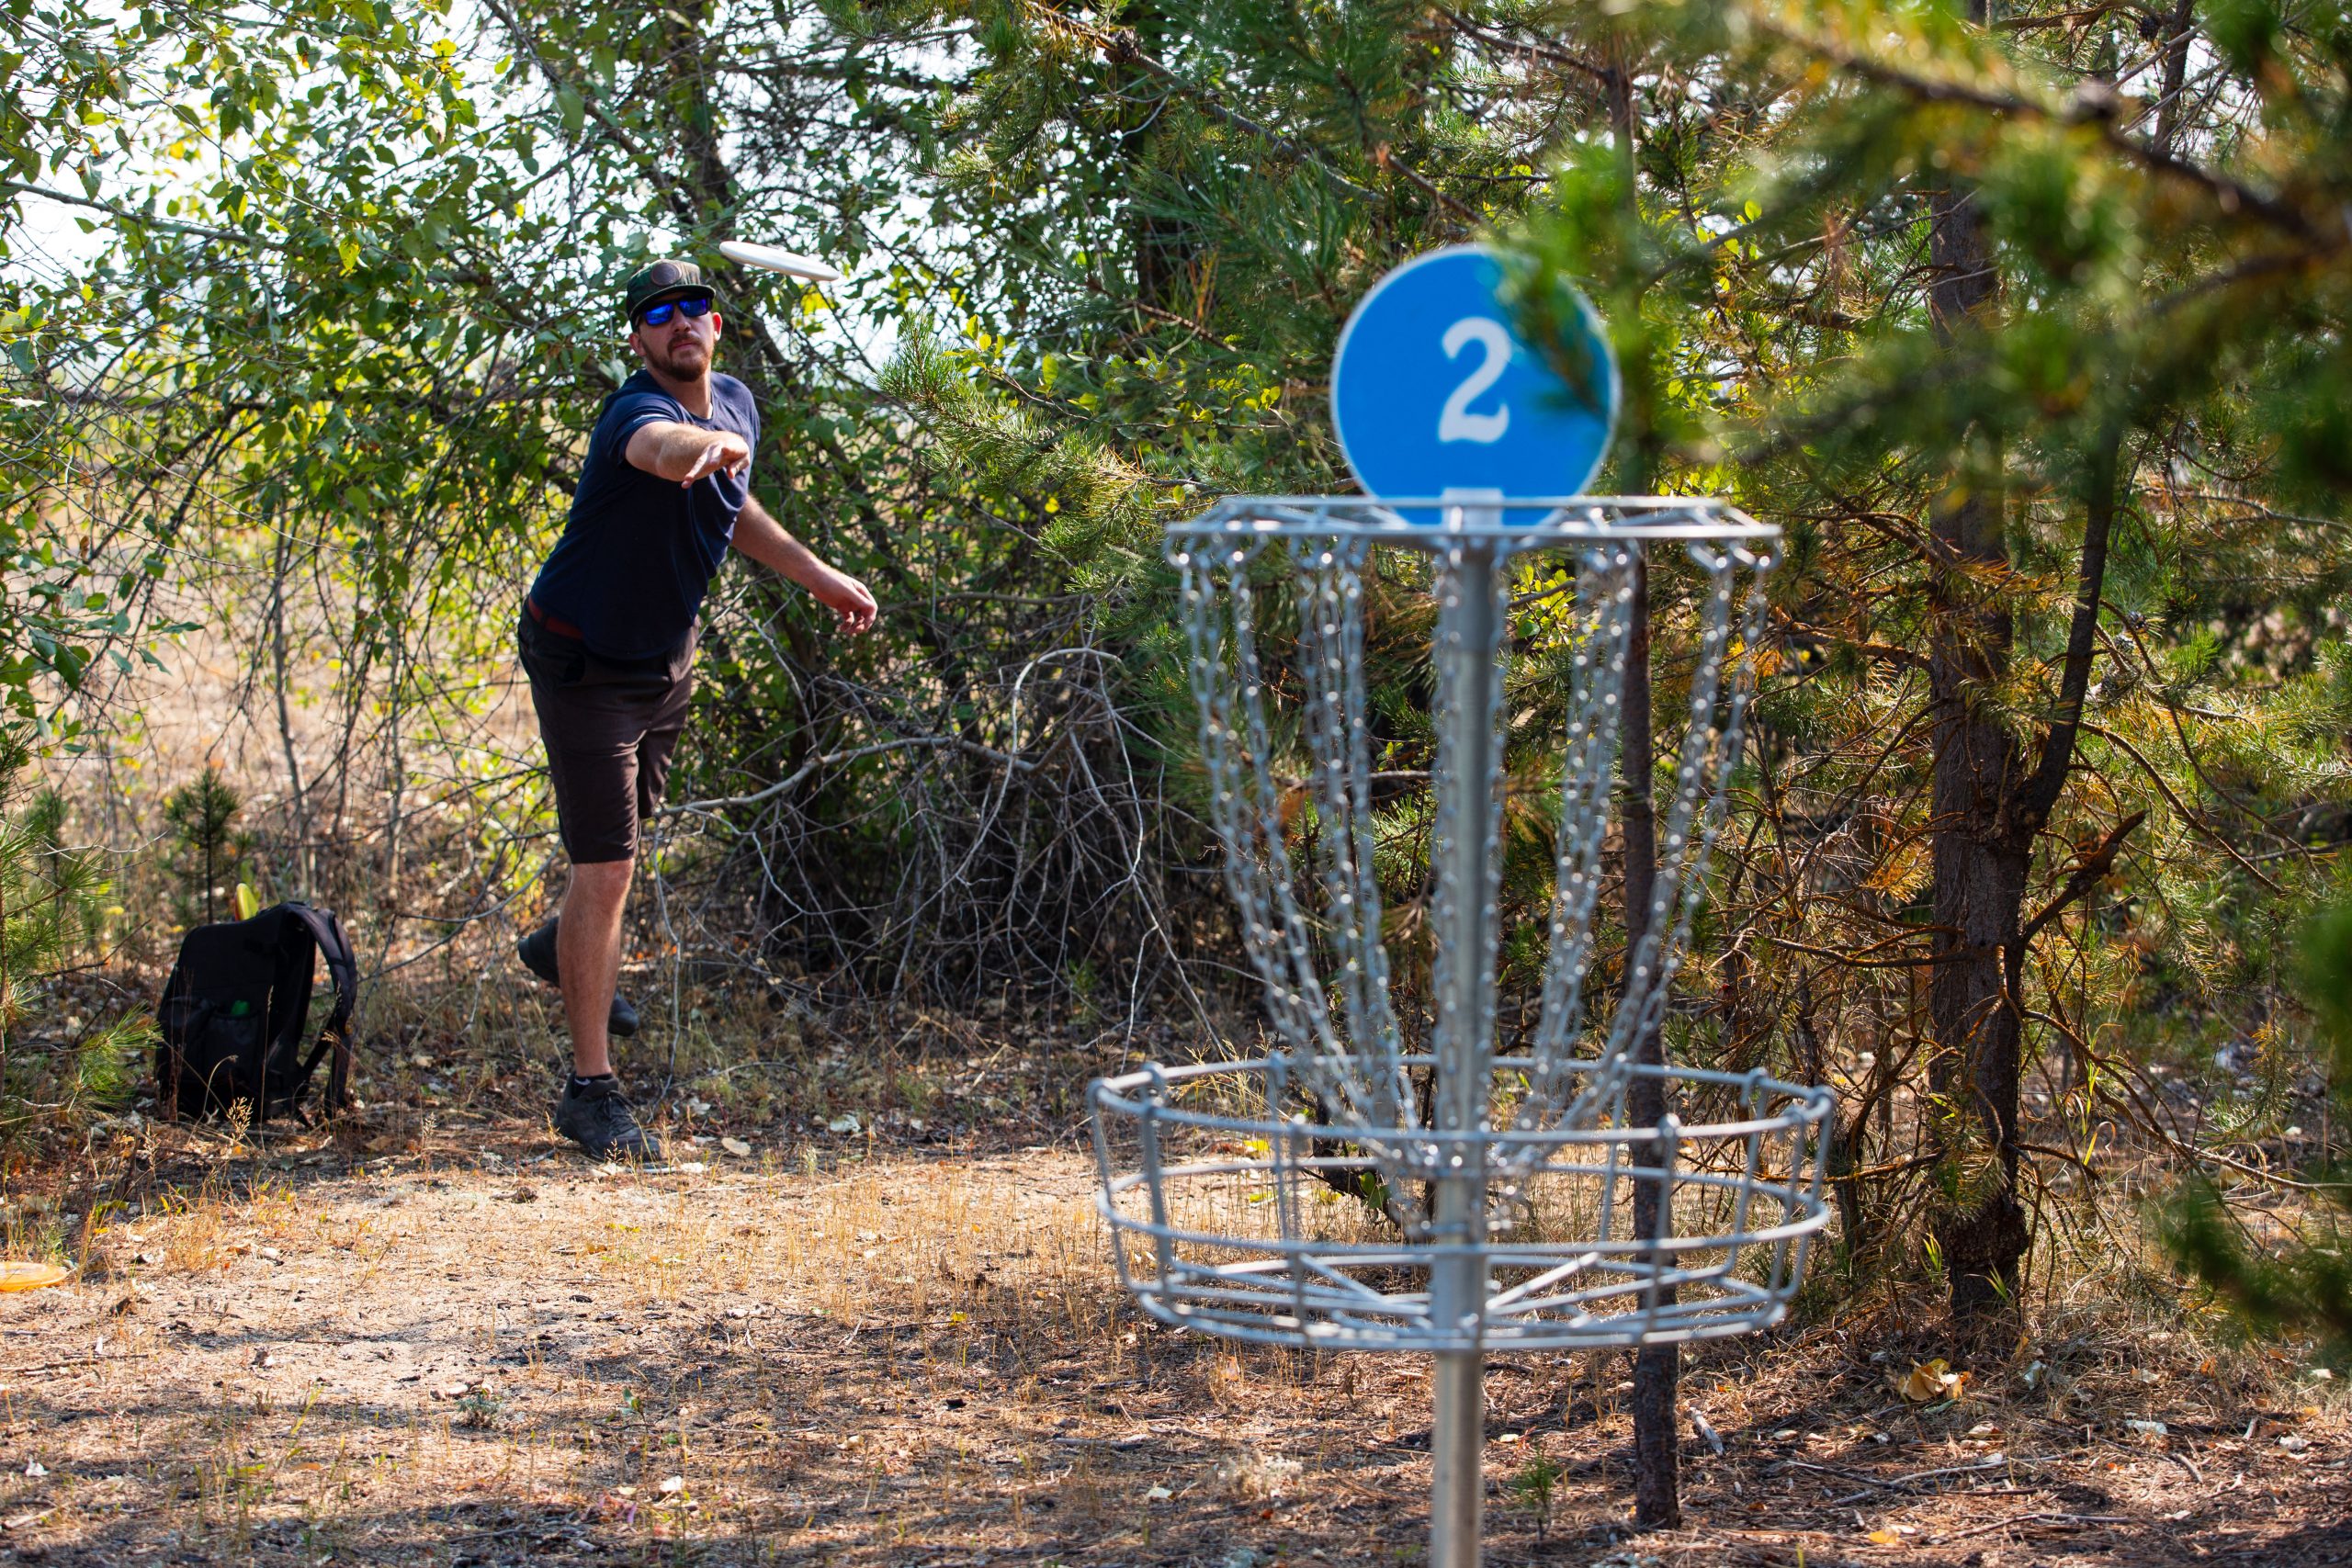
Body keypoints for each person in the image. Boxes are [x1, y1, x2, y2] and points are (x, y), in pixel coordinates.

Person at [514, 258, 876, 1159]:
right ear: (638, 339)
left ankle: (562, 946)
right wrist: (701, 447)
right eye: (659, 313)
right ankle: (589, 1093)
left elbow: (731, 505)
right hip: (582, 661)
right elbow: (663, 454)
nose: (681, 322)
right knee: (607, 869)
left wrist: (821, 578)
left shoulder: (739, 403)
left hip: (664, 666)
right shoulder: (637, 413)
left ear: (716, 326)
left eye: (695, 308)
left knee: (621, 852)